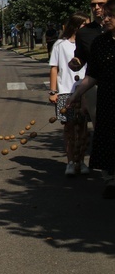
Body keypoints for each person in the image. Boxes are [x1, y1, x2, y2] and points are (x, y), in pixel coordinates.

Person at [67, 0, 115, 199]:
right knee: (108, 140)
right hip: (108, 100)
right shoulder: (100, 43)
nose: (104, 19)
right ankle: (111, 180)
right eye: (104, 16)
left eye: (110, 16)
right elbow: (93, 75)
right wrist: (76, 94)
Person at [49, 12, 89, 176]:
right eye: (84, 25)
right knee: (69, 128)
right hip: (65, 91)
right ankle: (71, 162)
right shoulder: (60, 44)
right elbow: (54, 67)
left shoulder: (88, 43)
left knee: (83, 128)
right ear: (75, 25)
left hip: (84, 90)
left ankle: (82, 161)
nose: (86, 28)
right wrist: (53, 91)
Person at [69, 0, 111, 126]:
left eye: (101, 4)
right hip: (95, 86)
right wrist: (75, 63)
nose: (97, 8)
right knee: (101, 126)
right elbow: (80, 58)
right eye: (93, 4)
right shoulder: (84, 33)